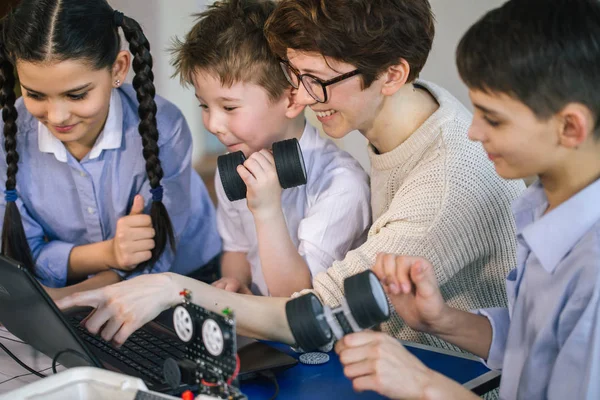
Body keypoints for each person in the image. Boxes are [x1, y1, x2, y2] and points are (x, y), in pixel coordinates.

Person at [57, 0, 523, 350]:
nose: (296, 95)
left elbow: (315, 314)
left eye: (314, 79)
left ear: (392, 74)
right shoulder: (412, 115)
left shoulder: (444, 186)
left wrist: (169, 288)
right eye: (293, 73)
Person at [334, 0, 600, 398]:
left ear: (570, 126)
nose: (473, 132)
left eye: (493, 119)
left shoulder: (592, 272)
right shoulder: (542, 207)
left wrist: (423, 384)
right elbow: (535, 344)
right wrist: (441, 319)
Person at [0, 0, 221, 299]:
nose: (56, 117)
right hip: (60, 291)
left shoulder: (164, 128)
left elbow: (155, 257)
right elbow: (24, 252)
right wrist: (109, 253)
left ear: (118, 68)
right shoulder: (8, 136)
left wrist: (65, 299)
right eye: (35, 94)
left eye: (76, 95)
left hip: (184, 278)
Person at [170, 0, 371, 298]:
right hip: (261, 328)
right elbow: (237, 249)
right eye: (204, 105)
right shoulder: (234, 169)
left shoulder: (342, 184)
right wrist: (234, 282)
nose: (213, 123)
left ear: (291, 100)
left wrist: (266, 210)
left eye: (229, 107)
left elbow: (298, 298)